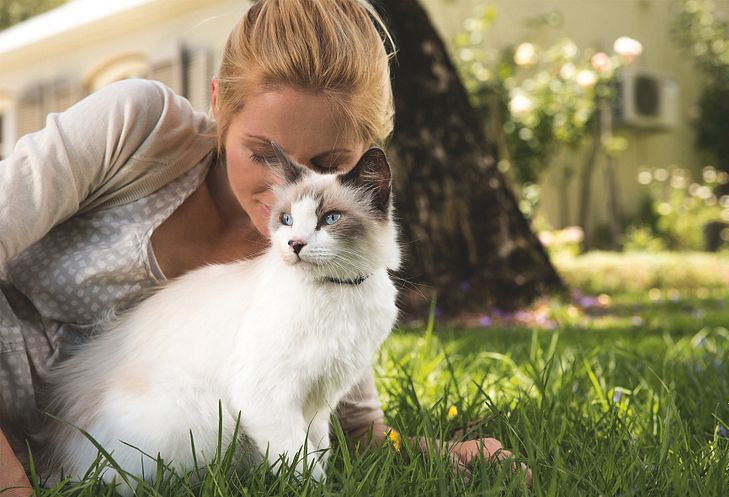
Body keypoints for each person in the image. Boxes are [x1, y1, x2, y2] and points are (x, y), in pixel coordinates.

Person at [0, 0, 529, 493]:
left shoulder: (326, 266)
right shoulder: (137, 129)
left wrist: (440, 453)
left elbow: (351, 424)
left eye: (325, 164)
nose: (284, 188)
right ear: (218, 106)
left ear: (367, 156)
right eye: (261, 154)